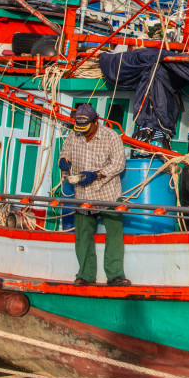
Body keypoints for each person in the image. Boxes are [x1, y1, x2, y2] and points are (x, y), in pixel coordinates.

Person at [59, 103, 130, 286]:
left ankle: (115, 275)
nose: (83, 132)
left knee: (114, 233)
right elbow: (64, 153)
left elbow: (118, 164)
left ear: (96, 122)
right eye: (80, 128)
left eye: (86, 128)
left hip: (108, 192)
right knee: (83, 234)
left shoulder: (111, 137)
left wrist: (96, 174)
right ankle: (85, 275)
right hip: (83, 194)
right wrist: (64, 162)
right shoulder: (74, 136)